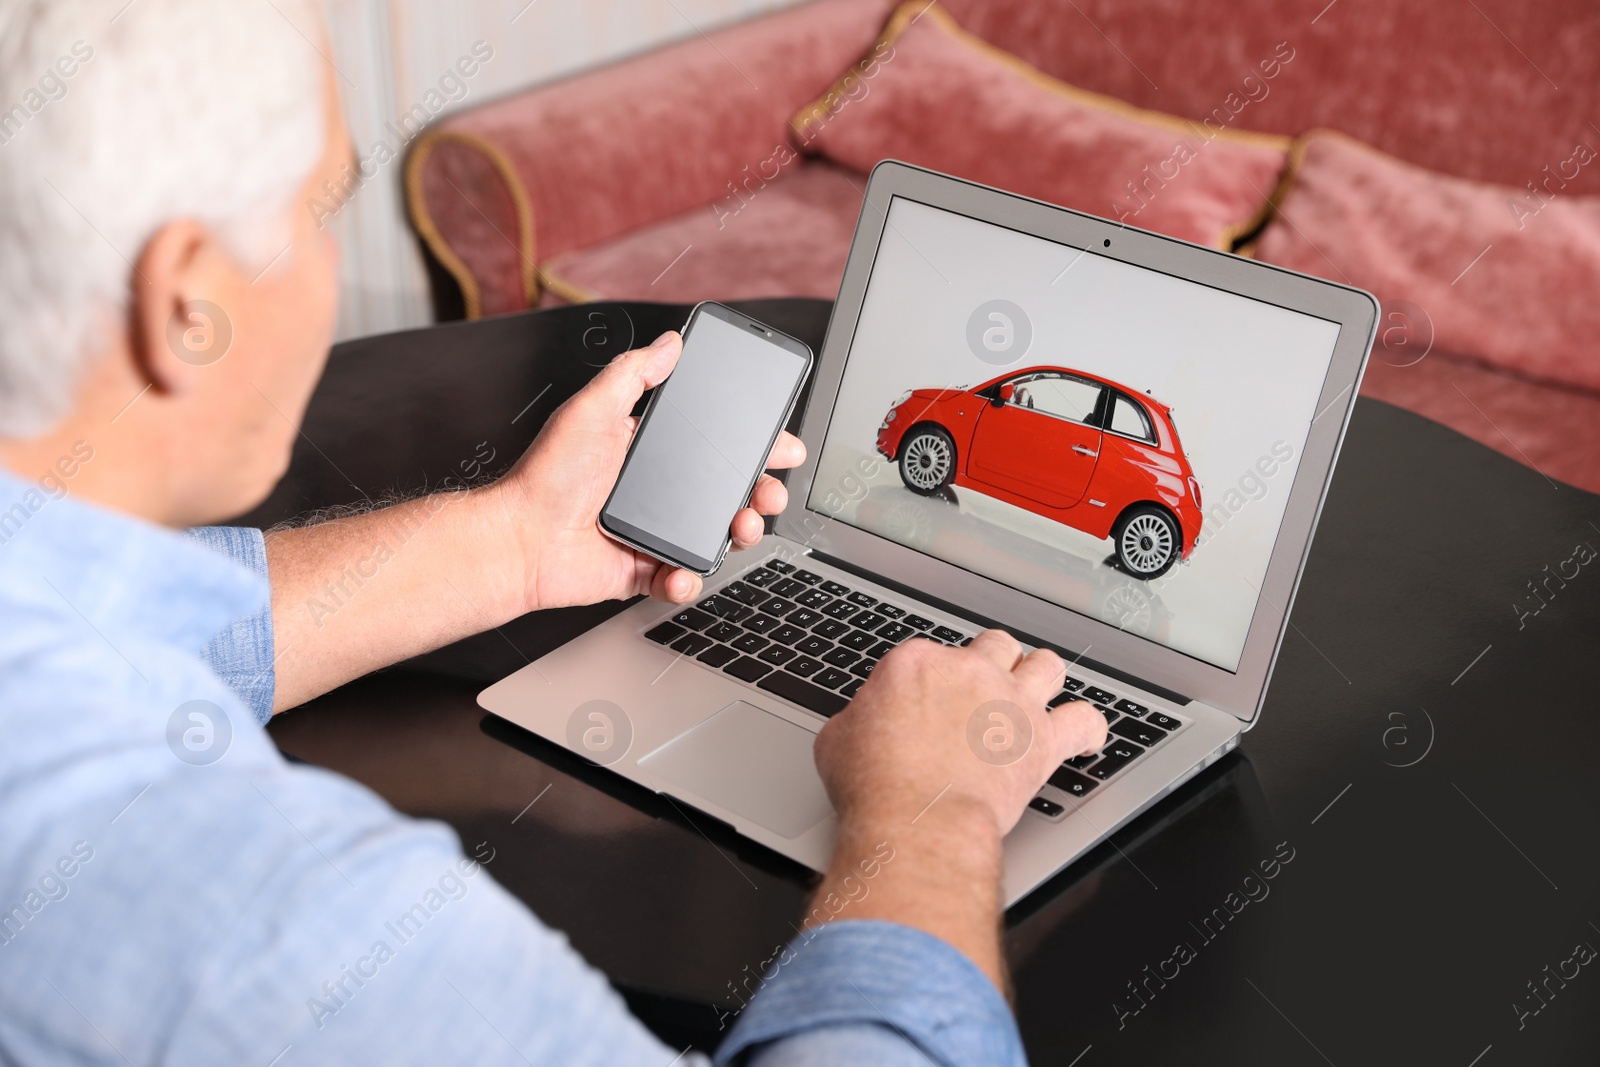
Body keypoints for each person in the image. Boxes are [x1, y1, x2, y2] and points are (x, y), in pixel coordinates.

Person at [0, 2, 1106, 1063]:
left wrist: (516, 542)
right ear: (184, 304)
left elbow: (112, 618)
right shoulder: (270, 919)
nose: (333, 268)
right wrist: (930, 817)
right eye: (321, 214)